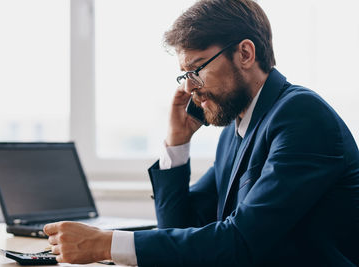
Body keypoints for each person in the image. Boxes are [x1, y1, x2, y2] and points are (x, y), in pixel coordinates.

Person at [43, 0, 359, 266]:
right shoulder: (236, 131)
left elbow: (240, 241)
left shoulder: (301, 117)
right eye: (184, 75)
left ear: (245, 54)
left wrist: (105, 245)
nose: (189, 87)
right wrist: (176, 145)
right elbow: (181, 227)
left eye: (197, 69)